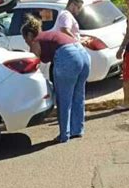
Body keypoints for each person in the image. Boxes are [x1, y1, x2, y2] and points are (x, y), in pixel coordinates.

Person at [21, 15, 90, 143]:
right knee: (78, 96)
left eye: (26, 40)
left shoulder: (36, 40)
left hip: (68, 57)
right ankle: (77, 130)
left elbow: (34, 60)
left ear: (30, 35)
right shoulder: (49, 35)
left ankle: (64, 135)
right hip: (83, 55)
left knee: (64, 99)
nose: (27, 43)